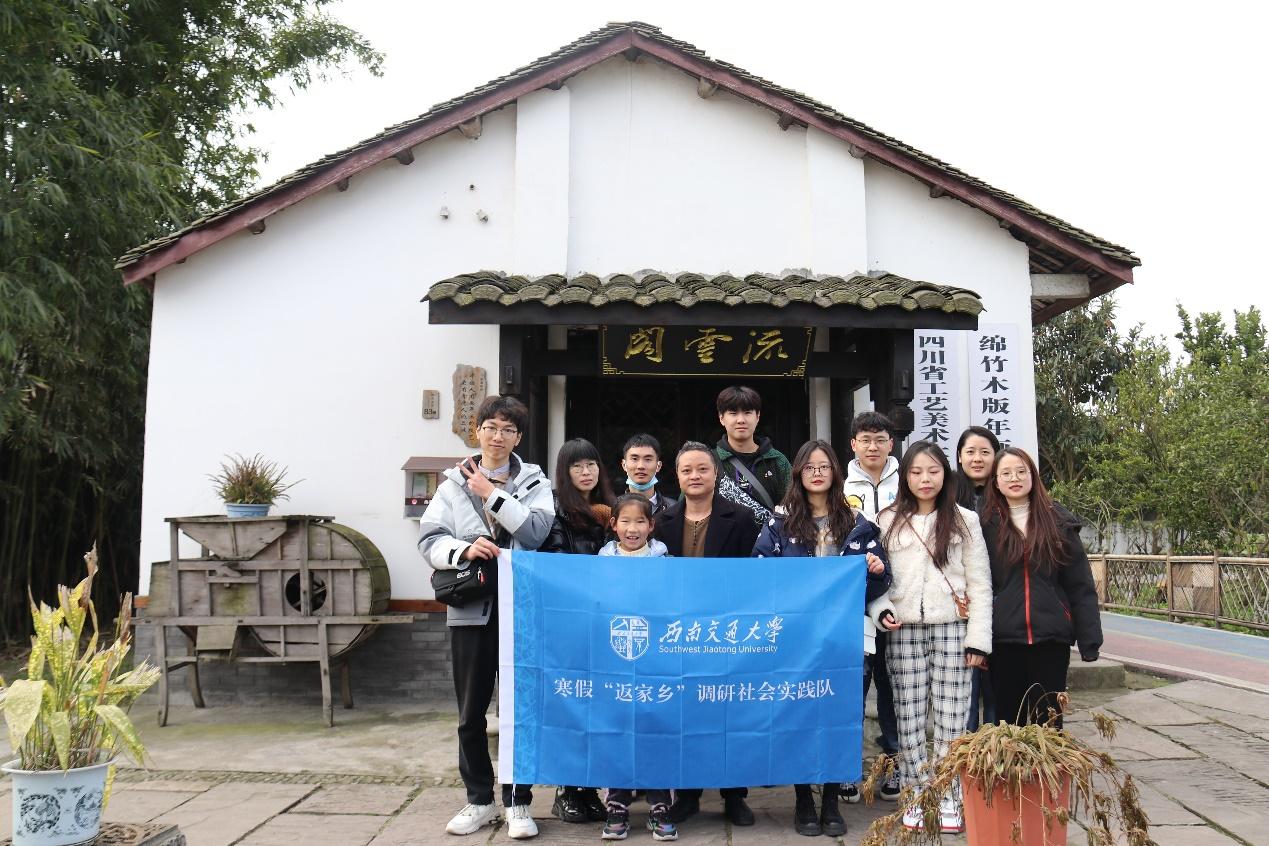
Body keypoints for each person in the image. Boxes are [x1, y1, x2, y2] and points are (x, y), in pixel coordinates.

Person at [418, 395, 554, 839]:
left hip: (522, 611)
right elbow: (429, 540)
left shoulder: (535, 482)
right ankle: (479, 800)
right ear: (476, 430)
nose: (498, 436)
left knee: (519, 712)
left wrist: (490, 494)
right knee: (470, 713)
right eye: (491, 427)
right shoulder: (451, 484)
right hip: (471, 609)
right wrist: (463, 549)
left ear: (519, 437)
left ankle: (518, 802)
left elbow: (536, 532)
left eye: (508, 429)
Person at [751, 440, 891, 838]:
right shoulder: (779, 523)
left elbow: (881, 581)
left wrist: (876, 569)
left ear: (835, 472)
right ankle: (803, 800)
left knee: (842, 718)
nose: (816, 472)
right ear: (798, 473)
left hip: (846, 638)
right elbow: (760, 576)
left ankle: (831, 800)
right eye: (809, 466)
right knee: (798, 716)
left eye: (824, 466)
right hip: (795, 640)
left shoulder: (857, 522)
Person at [869, 441, 992, 835]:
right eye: (917, 472)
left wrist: (979, 639)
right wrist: (881, 610)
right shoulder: (886, 520)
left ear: (946, 474)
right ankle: (915, 794)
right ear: (905, 476)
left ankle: (950, 795)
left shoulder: (965, 520)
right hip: (903, 630)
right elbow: (876, 578)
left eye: (933, 471)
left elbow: (980, 583)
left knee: (952, 717)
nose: (925, 479)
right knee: (908, 717)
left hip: (953, 628)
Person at [655, 441, 761, 827]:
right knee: (685, 715)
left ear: (716, 473)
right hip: (679, 633)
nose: (695, 476)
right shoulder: (662, 520)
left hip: (725, 631)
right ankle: (688, 795)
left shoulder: (742, 518)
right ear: (677, 476)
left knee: (730, 714)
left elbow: (754, 577)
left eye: (702, 469)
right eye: (687, 470)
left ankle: (734, 795)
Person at [980, 447, 1102, 728]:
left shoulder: (1058, 521)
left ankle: (1047, 760)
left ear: (1033, 476)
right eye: (1006, 473)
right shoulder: (986, 525)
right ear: (995, 481)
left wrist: (1089, 640)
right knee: (1008, 722)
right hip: (1004, 640)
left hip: (1051, 639)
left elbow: (1080, 584)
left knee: (1049, 721)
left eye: (1021, 471)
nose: (1015, 478)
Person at [541, 438, 614, 824]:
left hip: (606, 625)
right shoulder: (554, 510)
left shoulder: (611, 510)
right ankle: (566, 790)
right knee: (572, 706)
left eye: (591, 465)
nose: (586, 473)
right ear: (564, 472)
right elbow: (556, 563)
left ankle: (589, 789)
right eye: (577, 466)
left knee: (600, 709)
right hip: (571, 624)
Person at [597, 494, 676, 840]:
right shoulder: (599, 564)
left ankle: (661, 805)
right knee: (616, 730)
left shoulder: (665, 562)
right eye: (625, 521)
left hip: (656, 661)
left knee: (656, 729)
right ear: (613, 524)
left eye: (640, 521)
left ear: (651, 525)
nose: (633, 528)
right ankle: (616, 805)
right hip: (614, 661)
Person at [842, 411, 902, 802]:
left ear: (891, 444)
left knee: (893, 687)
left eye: (880, 439)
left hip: (900, 600)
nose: (873, 446)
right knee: (853, 687)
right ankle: (848, 767)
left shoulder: (908, 482)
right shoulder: (840, 487)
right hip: (857, 602)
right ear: (853, 444)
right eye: (865, 439)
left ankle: (893, 764)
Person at [952, 426, 1001, 732]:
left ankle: (996, 749)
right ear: (959, 456)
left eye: (985, 452)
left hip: (1001, 600)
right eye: (970, 452)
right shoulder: (947, 495)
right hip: (961, 604)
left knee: (997, 689)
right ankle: (967, 753)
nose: (977, 458)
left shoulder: (1006, 492)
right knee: (965, 689)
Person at [713, 385, 792, 513]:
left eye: (747, 413)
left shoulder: (777, 460)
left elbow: (794, 504)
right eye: (733, 413)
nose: (741, 420)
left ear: (758, 417)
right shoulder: (710, 462)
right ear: (721, 418)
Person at [619, 433, 677, 519]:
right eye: (634, 459)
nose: (641, 466)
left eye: (648, 459)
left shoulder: (674, 508)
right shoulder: (613, 508)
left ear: (658, 466)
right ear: (624, 465)